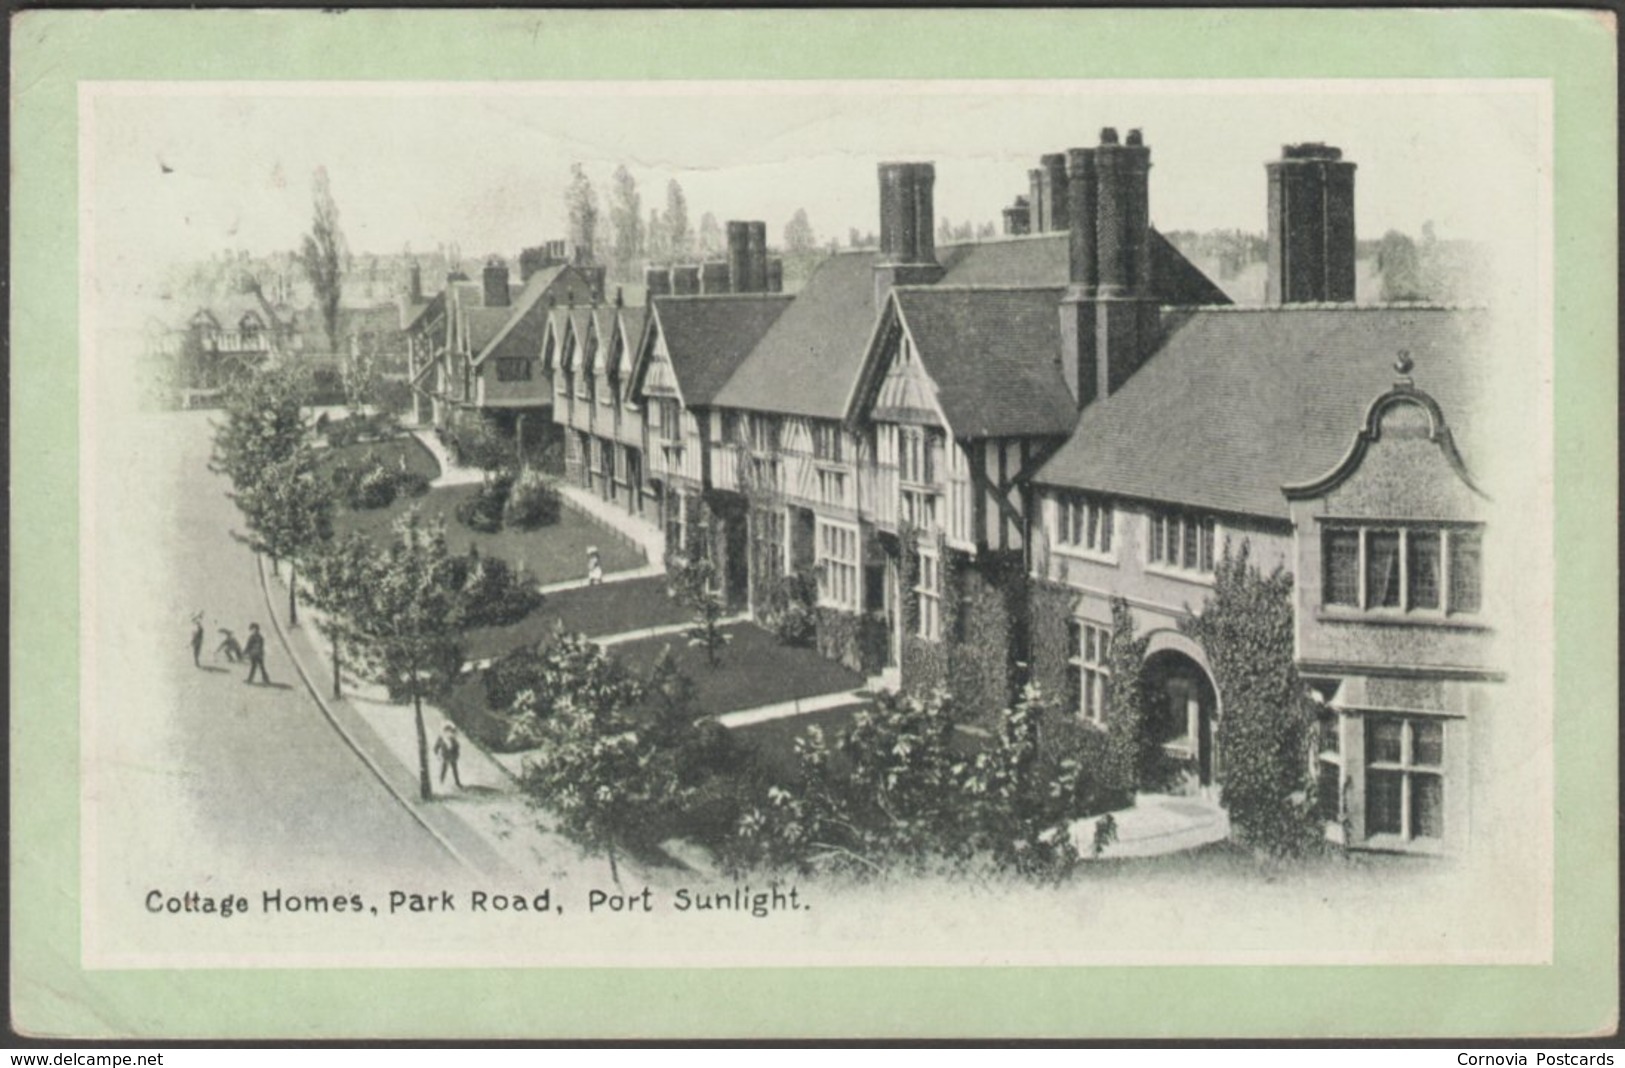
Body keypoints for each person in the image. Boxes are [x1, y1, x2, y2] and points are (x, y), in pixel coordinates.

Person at [433, 724, 462, 789]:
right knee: (443, 769)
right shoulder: (441, 738)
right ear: (445, 731)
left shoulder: (454, 740)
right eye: (448, 731)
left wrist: (456, 756)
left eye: (452, 732)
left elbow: (457, 749)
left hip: (452, 756)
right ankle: (440, 783)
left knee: (454, 769)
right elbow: (435, 748)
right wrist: (437, 755)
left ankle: (457, 782)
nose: (450, 734)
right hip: (445, 756)